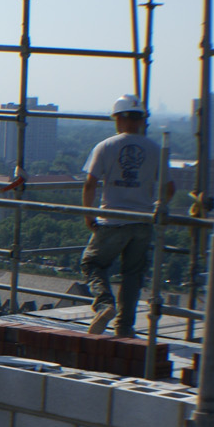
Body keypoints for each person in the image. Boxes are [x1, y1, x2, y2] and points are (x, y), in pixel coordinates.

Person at [81, 94, 173, 337]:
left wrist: (89, 215)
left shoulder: (106, 146)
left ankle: (104, 304)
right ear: (141, 120)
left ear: (117, 119)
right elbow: (169, 188)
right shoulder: (155, 149)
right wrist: (156, 206)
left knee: (93, 263)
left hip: (113, 220)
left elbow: (90, 184)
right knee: (133, 274)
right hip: (142, 222)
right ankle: (124, 327)